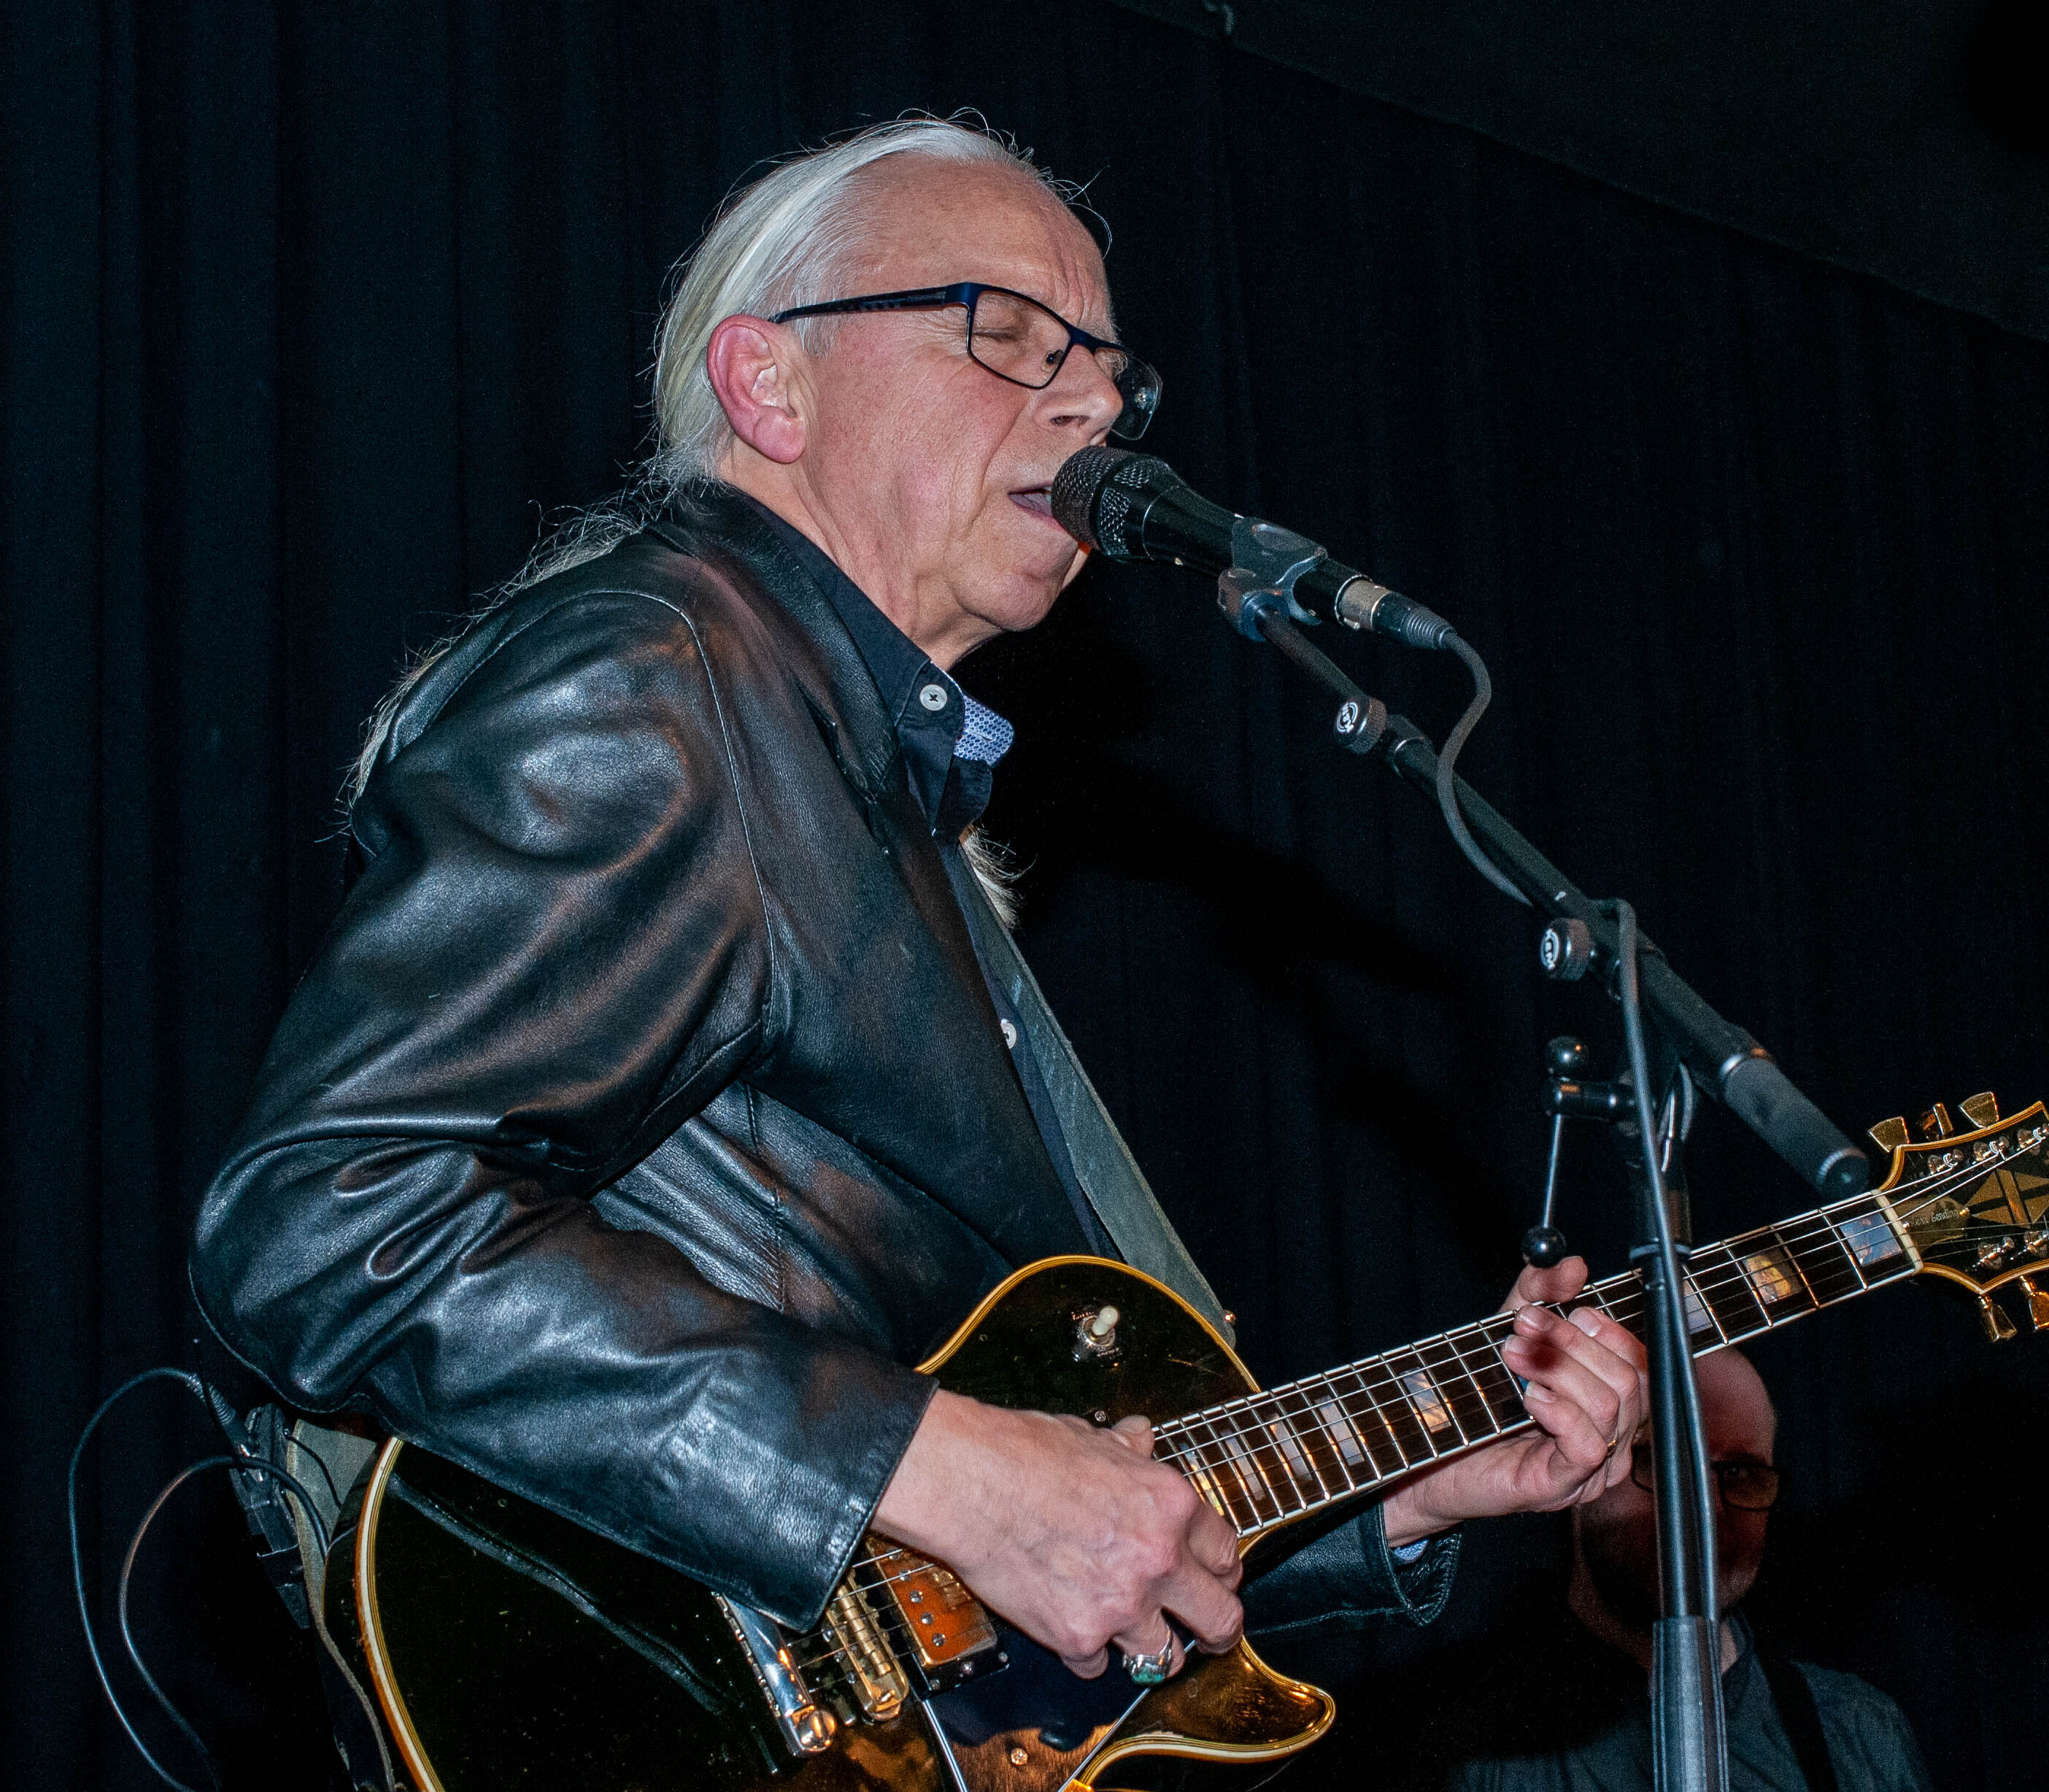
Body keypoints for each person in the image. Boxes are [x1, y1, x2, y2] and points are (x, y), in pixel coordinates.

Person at [190, 117, 1645, 1700]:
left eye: (1108, 368)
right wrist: (950, 1469)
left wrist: (1407, 1492)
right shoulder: (662, 682)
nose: (1094, 400)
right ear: (771, 384)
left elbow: (1026, 1573)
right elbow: (332, 1212)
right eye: (1008, 335)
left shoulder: (882, 792)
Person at [1436, 1349, 1931, 1791]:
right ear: (1577, 1478)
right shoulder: (1471, 1746)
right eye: (1667, 1466)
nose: (1708, 1509)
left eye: (1739, 1473)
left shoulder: (1855, 1729)